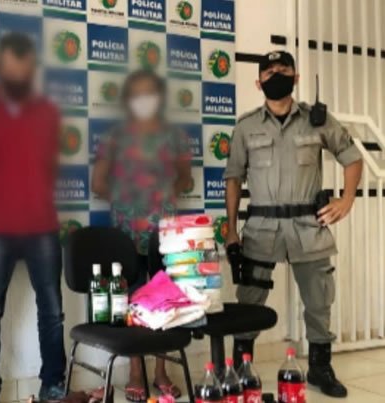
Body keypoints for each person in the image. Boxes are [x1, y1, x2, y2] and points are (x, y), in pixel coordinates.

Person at [224, 51, 363, 398]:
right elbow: (233, 178)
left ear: (296, 77)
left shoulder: (318, 120)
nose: (276, 74)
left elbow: (352, 157)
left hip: (308, 227)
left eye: (283, 69)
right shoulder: (246, 126)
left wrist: (346, 200)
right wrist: (231, 230)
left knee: (319, 301)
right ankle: (241, 367)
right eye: (269, 71)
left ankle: (320, 367)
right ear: (259, 83)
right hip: (262, 228)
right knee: (249, 300)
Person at [0, 33, 66, 403]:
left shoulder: (48, 111)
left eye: (25, 70)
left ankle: (53, 385)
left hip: (42, 226)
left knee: (52, 311)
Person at [91, 69, 192, 402]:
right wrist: (129, 196)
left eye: (150, 92)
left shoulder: (174, 136)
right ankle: (136, 372)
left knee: (165, 302)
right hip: (126, 234)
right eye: (137, 93)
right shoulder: (114, 138)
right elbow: (98, 183)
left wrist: (164, 194)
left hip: (165, 235)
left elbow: (185, 179)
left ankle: (162, 372)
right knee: (132, 302)